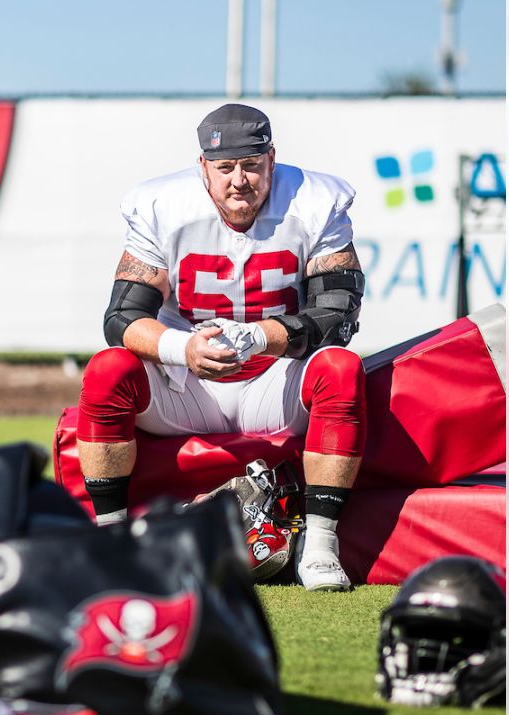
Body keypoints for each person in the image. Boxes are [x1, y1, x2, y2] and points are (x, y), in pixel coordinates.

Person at [77, 103, 367, 592]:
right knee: (108, 369)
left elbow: (339, 312)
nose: (240, 180)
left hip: (274, 378)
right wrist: (182, 348)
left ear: (272, 159)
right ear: (203, 167)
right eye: (225, 167)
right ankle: (113, 541)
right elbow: (122, 318)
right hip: (188, 384)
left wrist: (263, 336)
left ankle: (319, 545)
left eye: (252, 165)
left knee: (340, 366)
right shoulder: (161, 206)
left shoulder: (317, 202)